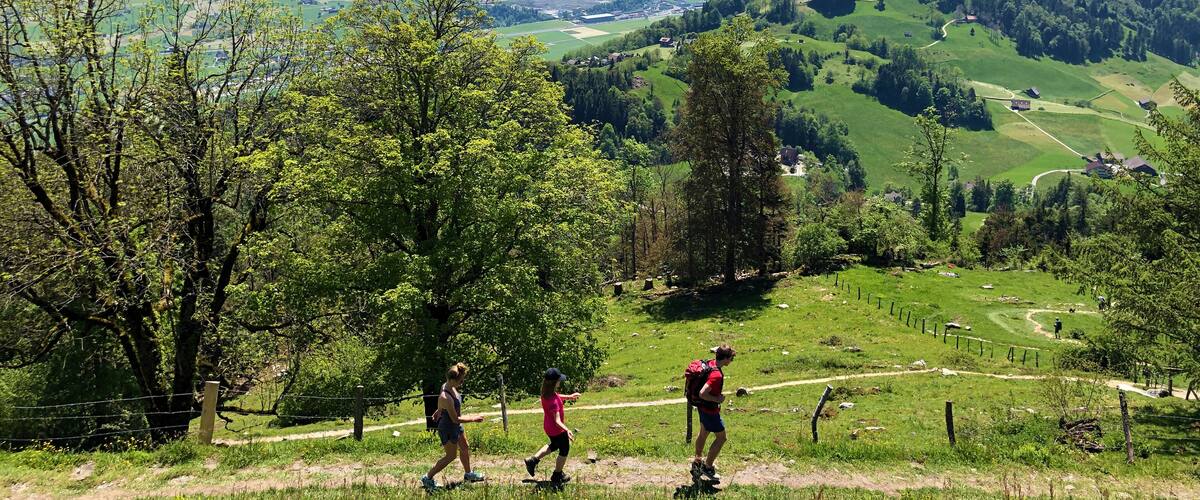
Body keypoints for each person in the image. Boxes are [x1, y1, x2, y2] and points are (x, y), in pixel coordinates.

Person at [421, 362, 486, 490]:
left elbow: (441, 404)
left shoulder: (447, 386)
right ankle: (427, 477)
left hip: (456, 426)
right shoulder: (446, 397)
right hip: (448, 428)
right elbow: (455, 419)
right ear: (451, 380)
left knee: (464, 447)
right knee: (450, 456)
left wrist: (439, 410)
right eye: (460, 381)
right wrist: (473, 418)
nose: (462, 383)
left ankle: (468, 474)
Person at [524, 368, 581, 485]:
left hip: (549, 428)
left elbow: (557, 396)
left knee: (554, 445)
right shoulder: (553, 402)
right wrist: (567, 430)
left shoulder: (546, 394)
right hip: (556, 429)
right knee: (564, 449)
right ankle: (557, 475)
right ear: (555, 382)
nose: (560, 382)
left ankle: (533, 460)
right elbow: (557, 421)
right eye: (559, 380)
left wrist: (570, 397)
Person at [693, 345, 735, 483]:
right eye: (731, 358)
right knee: (722, 438)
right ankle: (708, 467)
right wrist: (717, 399)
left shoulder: (710, 363)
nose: (732, 361)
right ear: (726, 358)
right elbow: (702, 393)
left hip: (702, 407)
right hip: (710, 411)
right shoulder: (716, 375)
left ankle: (697, 461)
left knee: (703, 433)